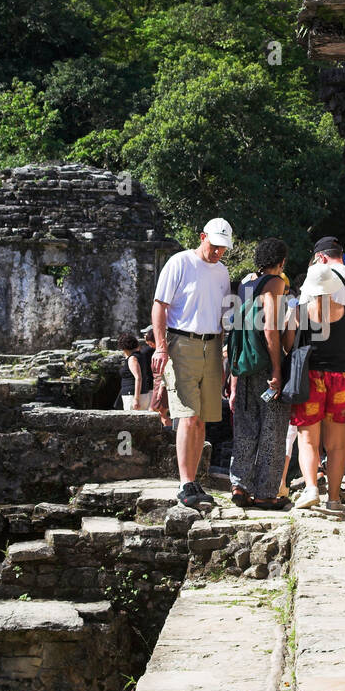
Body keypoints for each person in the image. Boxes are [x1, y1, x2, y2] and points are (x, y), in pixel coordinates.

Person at [151, 218, 233, 511]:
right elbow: (159, 305)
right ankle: (184, 483)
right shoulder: (179, 262)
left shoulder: (222, 272)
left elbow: (223, 315)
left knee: (202, 418)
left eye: (223, 248)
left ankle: (193, 480)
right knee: (186, 415)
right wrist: (161, 347)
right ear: (202, 237)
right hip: (181, 341)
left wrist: (223, 352)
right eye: (214, 246)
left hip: (211, 345)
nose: (218, 252)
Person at [291, 262, 345, 514]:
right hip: (342, 379)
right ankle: (334, 498)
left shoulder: (299, 313)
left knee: (308, 440)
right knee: (338, 444)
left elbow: (288, 346)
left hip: (309, 379)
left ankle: (311, 488)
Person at [228, 237, 294, 510]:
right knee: (273, 429)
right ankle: (266, 493)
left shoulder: (245, 284)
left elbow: (237, 330)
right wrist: (277, 370)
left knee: (245, 426)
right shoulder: (275, 283)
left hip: (243, 366)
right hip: (266, 366)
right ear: (280, 262)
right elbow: (270, 328)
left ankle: (239, 487)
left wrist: (231, 382)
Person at [117, 332, 143, 412]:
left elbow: (138, 378)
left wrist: (136, 398)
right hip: (139, 393)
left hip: (131, 395)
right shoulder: (142, 356)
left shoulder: (132, 359)